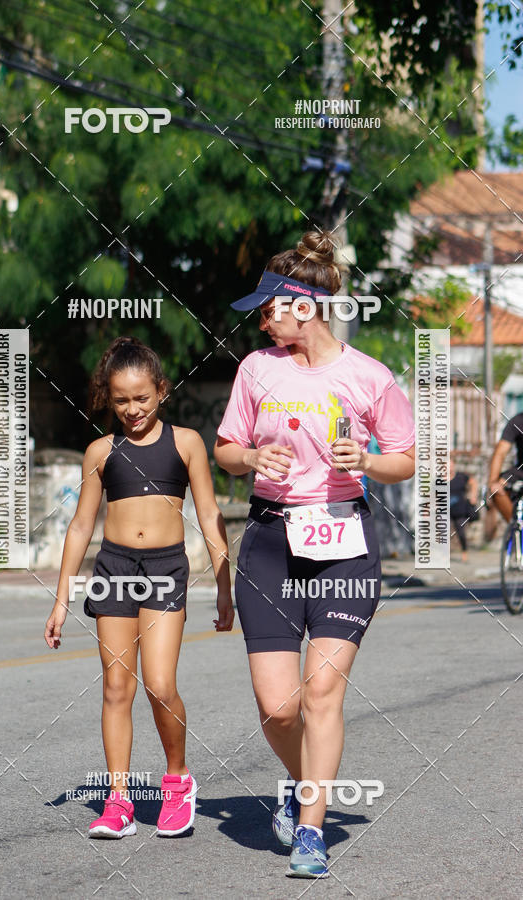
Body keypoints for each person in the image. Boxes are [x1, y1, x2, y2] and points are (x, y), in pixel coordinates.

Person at [214, 230, 415, 878]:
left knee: (322, 690)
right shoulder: (256, 369)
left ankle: (309, 829)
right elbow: (225, 449)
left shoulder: (368, 376)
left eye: (269, 308)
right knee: (279, 707)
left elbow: (406, 458)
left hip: (343, 544)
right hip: (271, 543)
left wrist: (369, 462)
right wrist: (250, 457)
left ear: (305, 306)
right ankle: (305, 785)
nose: (262, 321)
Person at [44, 337, 234, 839]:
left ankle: (177, 781)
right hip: (114, 568)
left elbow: (210, 515)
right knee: (115, 687)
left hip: (166, 568)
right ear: (110, 399)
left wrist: (224, 585)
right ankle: (119, 801)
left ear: (162, 391)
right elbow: (80, 527)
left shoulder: (186, 443)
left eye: (142, 398)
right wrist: (62, 599)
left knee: (160, 684)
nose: (132, 409)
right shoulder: (100, 452)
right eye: (122, 400)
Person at [487, 411, 523, 528]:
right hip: (520, 471)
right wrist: (493, 481)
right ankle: (515, 525)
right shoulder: (518, 421)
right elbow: (500, 453)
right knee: (496, 489)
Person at [449, 455, 478, 562]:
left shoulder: (460, 477)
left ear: (453, 465)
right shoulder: (439, 479)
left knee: (461, 533)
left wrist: (473, 496)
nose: (449, 467)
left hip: (459, 510)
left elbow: (473, 483)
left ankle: (464, 551)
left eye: (450, 465)